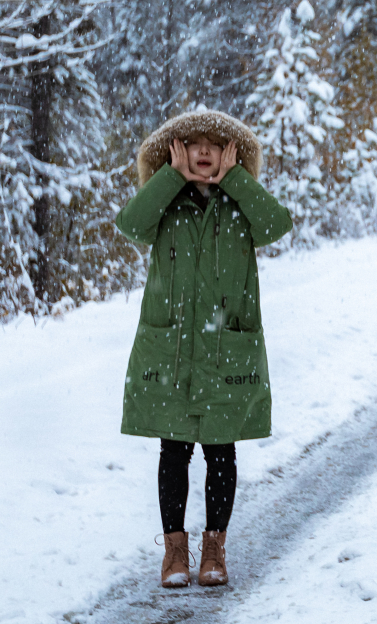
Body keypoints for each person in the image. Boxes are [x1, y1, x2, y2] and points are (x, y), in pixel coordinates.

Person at [116, 109, 292, 588]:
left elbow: (277, 225)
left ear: (231, 154)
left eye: (216, 144)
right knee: (173, 451)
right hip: (170, 350)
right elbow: (130, 225)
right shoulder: (166, 206)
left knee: (220, 449)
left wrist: (238, 181)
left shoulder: (240, 206)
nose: (203, 151)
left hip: (224, 350)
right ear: (175, 152)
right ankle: (175, 553)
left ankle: (214, 548)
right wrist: (167, 179)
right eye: (191, 144)